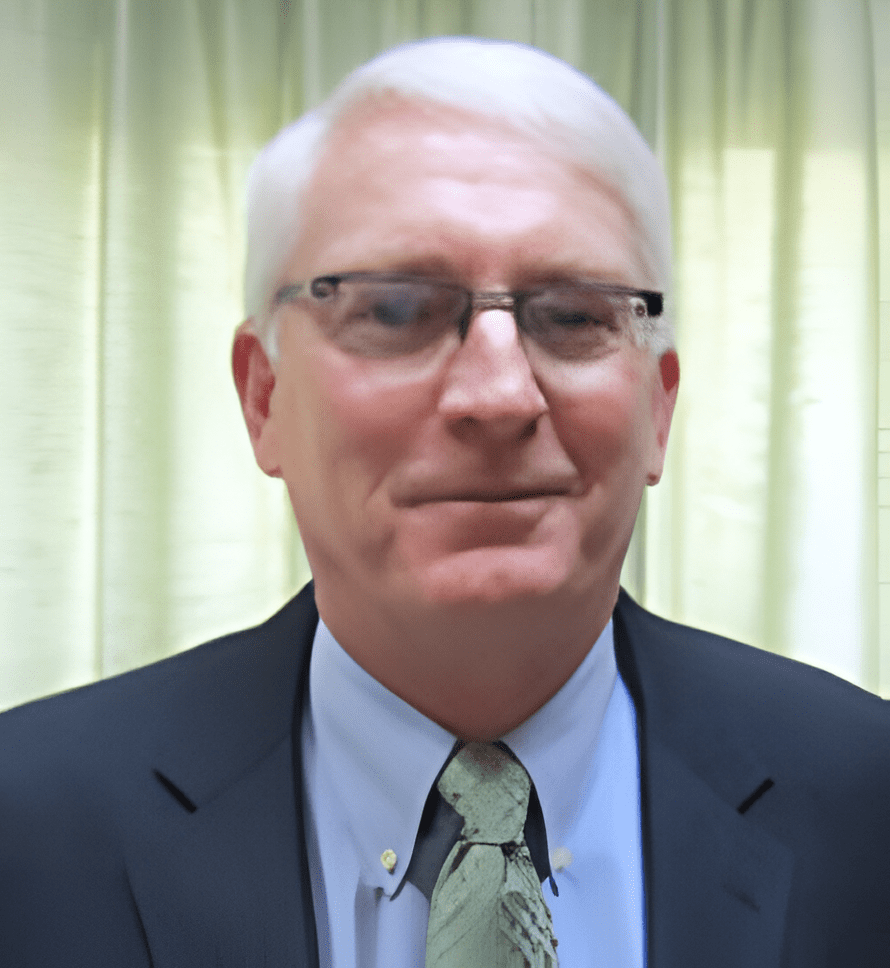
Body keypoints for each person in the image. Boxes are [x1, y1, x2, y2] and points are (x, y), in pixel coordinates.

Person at [1, 36, 888, 968]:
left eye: (575, 315)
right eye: (394, 311)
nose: (499, 396)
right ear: (264, 398)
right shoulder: (27, 834)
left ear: (659, 404)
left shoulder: (867, 806)